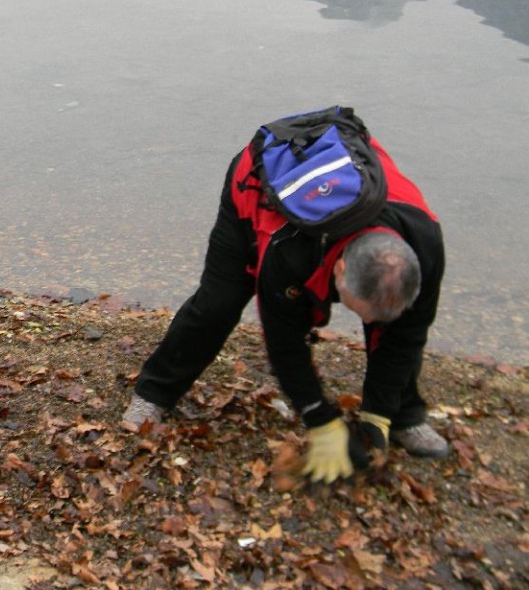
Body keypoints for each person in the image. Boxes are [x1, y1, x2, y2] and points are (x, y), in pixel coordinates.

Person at [122, 116, 449, 483]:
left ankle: (403, 414)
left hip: (345, 172)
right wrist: (319, 418)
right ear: (339, 271)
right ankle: (155, 392)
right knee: (220, 303)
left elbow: (408, 334)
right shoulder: (288, 253)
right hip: (258, 185)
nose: (369, 323)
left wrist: (377, 417)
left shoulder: (425, 245)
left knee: (399, 329)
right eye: (362, 313)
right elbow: (284, 343)